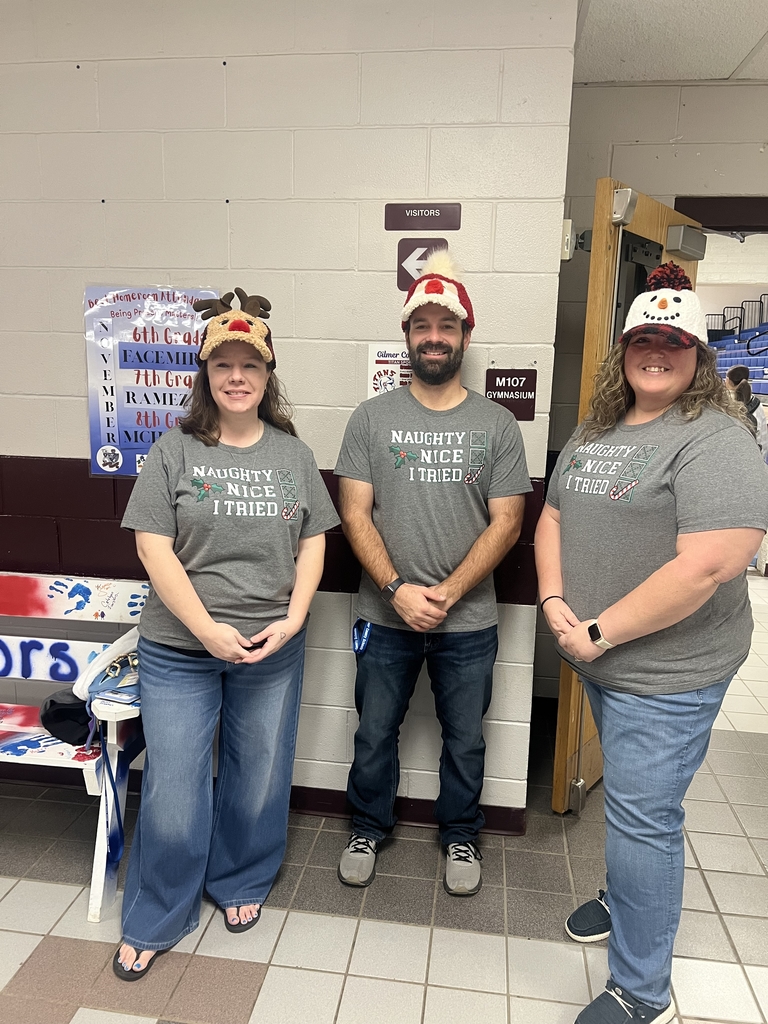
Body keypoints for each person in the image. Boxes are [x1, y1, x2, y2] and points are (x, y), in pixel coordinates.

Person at [535, 263, 768, 1024]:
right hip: (599, 656)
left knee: (644, 817)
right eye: (644, 339)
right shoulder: (598, 428)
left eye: (675, 341)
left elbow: (710, 565)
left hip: (669, 670)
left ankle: (641, 992)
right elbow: (554, 518)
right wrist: (555, 601)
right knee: (637, 803)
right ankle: (625, 896)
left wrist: (599, 632)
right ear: (625, 350)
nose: (657, 352)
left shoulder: (717, 440)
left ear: (698, 354)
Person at [114, 288, 339, 980]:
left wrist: (294, 617)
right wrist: (207, 629)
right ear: (205, 375)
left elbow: (313, 541)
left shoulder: (293, 456)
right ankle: (159, 912)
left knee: (259, 772)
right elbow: (152, 547)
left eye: (250, 365)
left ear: (268, 375)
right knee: (175, 784)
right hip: (181, 650)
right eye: (223, 365)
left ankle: (240, 877)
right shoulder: (173, 451)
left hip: (272, 647)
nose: (236, 377)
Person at [334, 250, 531, 896]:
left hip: (467, 620)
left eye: (447, 326)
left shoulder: (497, 425)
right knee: (373, 732)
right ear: (408, 336)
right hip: (382, 615)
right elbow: (354, 512)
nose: (435, 337)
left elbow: (508, 521)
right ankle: (368, 826)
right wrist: (397, 590)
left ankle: (461, 835)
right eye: (423, 326)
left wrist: (444, 593)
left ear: (465, 336)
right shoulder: (371, 419)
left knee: (466, 738)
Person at [725, 363, 768, 453]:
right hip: (757, 453)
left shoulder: (724, 406)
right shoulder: (758, 404)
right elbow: (763, 438)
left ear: (727, 380)